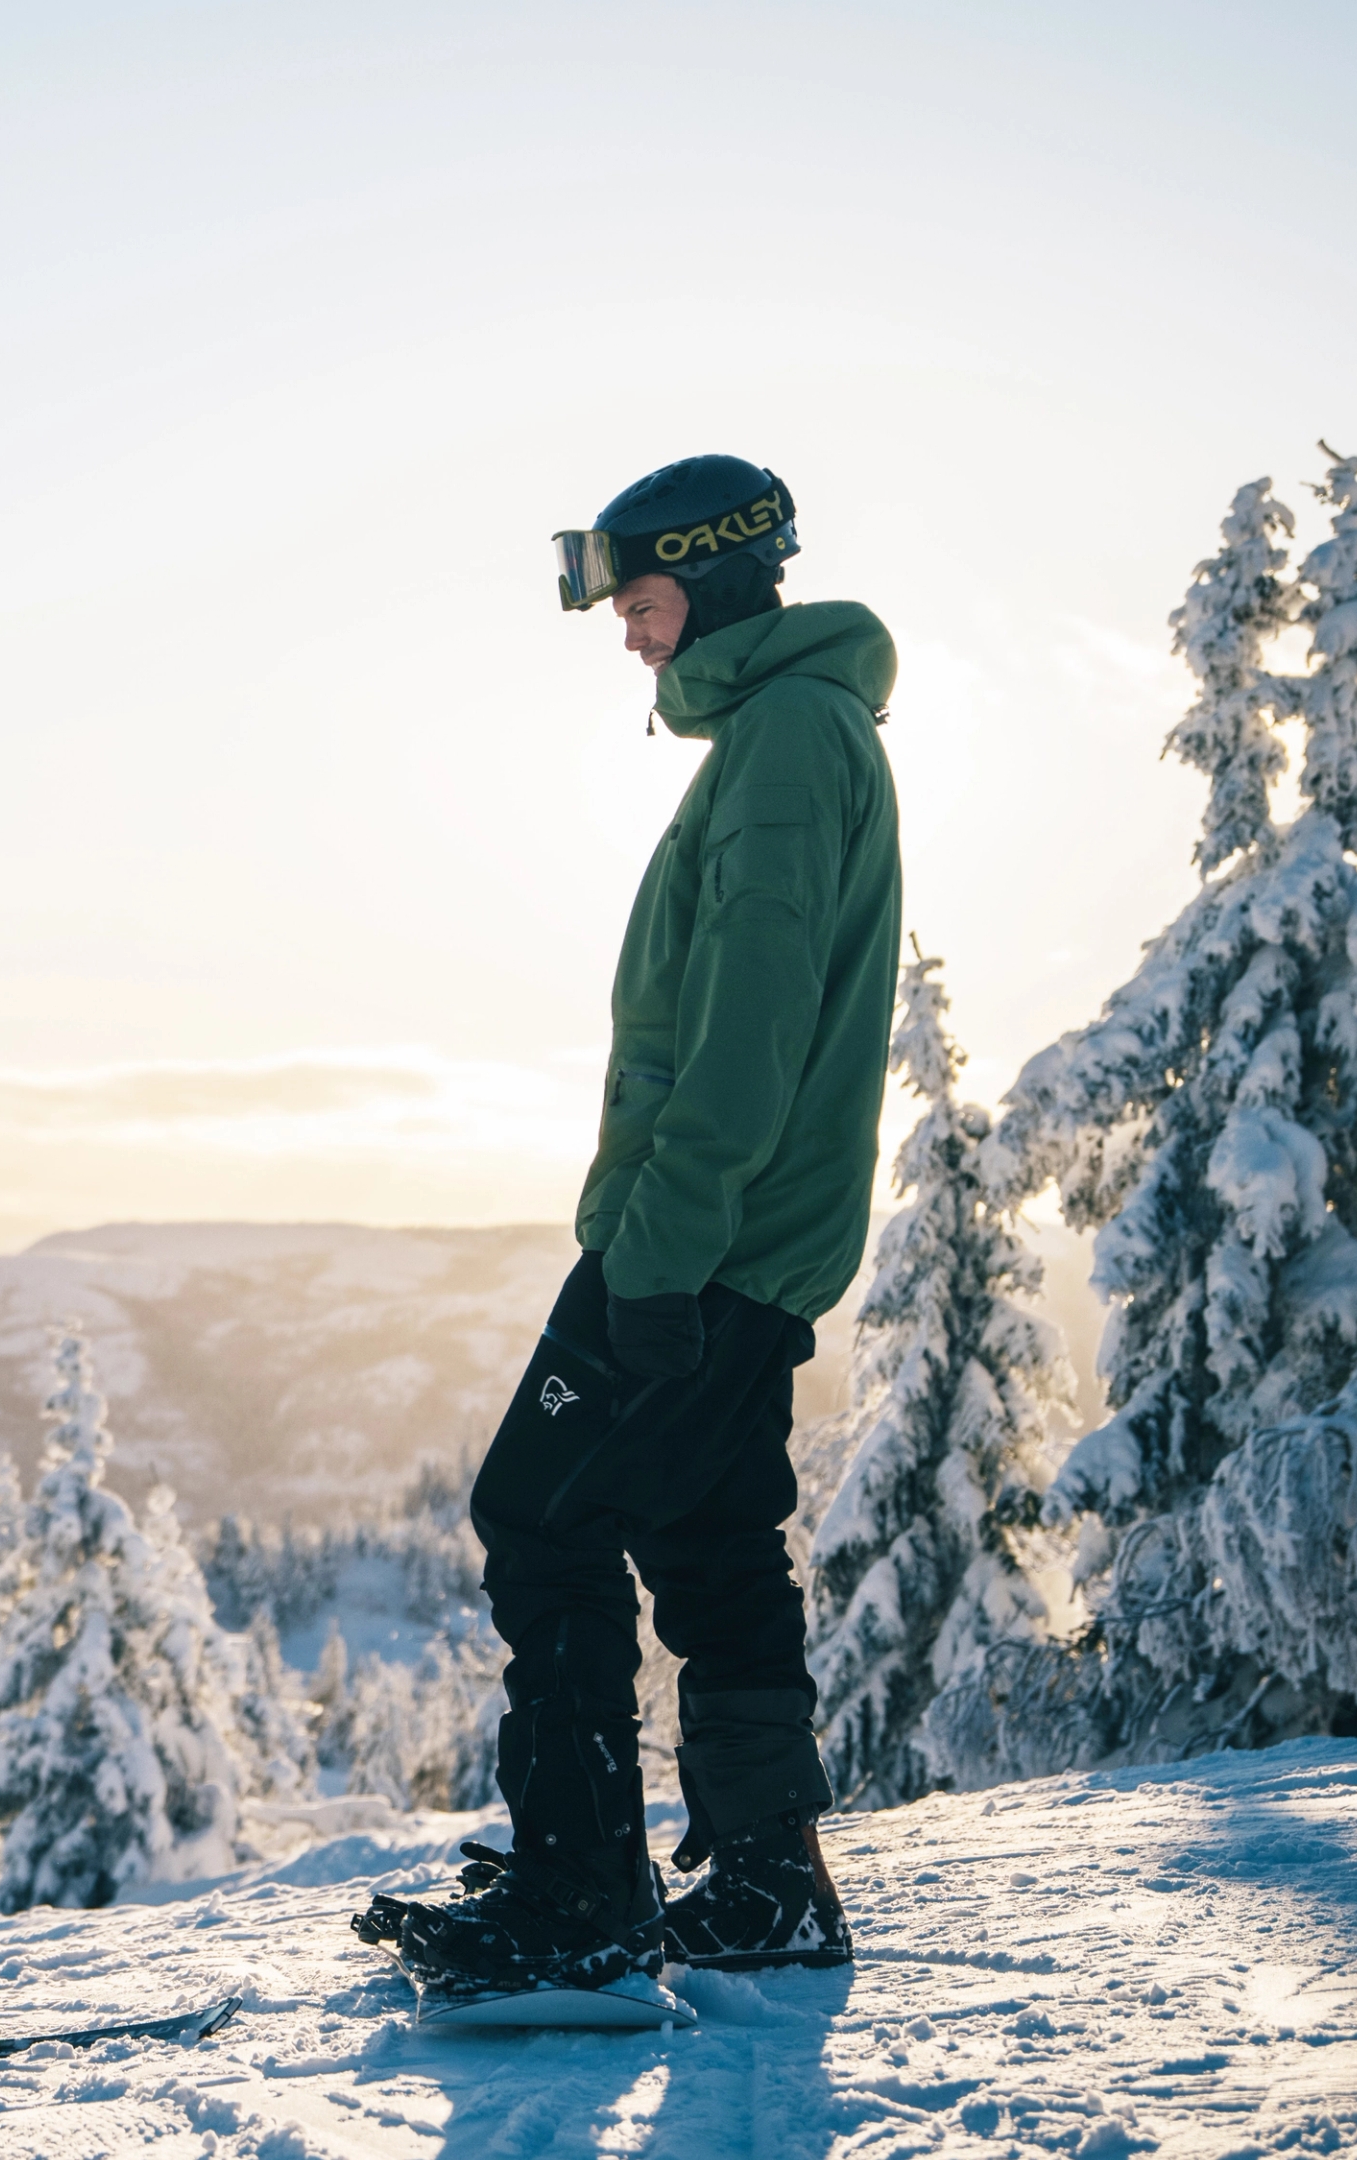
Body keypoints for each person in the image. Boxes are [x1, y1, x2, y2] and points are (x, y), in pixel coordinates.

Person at [365, 455, 901, 1991]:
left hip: (697, 1240)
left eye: (643, 600)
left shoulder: (787, 743)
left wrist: (655, 1257)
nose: (628, 635)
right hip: (744, 1242)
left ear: (716, 579)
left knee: (535, 1516)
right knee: (709, 1539)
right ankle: (766, 1881)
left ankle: (575, 1898)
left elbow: (748, 1031)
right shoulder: (795, 732)